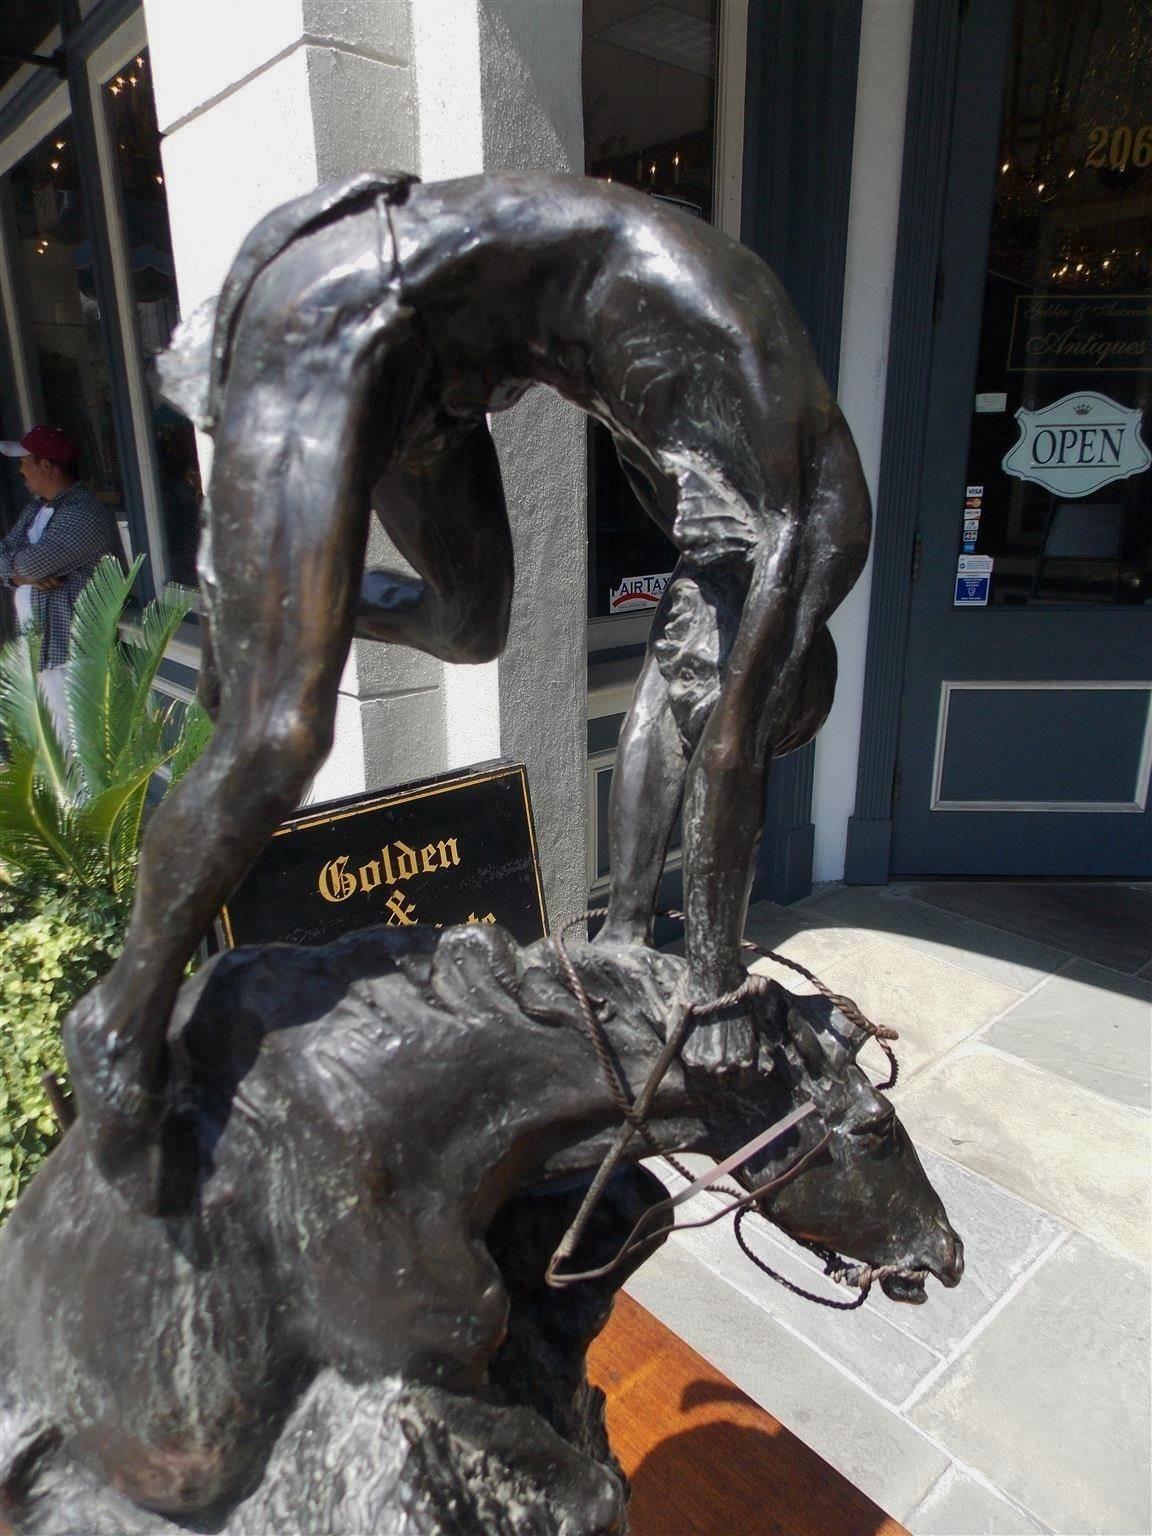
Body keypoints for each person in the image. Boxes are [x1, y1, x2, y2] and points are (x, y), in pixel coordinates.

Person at [66, 172, 871, 1211]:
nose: (686, 697)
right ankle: (120, 1015)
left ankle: (278, 597)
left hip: (448, 366)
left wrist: (626, 930)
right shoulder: (801, 527)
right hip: (354, 308)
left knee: (467, 623)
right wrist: (712, 980)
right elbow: (722, 753)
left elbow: (671, 719)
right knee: (282, 735)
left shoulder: (731, 525)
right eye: (724, 690)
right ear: (784, 659)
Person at [0, 425, 123, 738]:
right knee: (53, 743)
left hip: (73, 653)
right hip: (45, 650)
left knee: (79, 744)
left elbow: (29, 562)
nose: (20, 468)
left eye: (25, 460)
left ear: (46, 465)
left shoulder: (83, 513)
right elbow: (11, 557)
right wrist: (21, 576)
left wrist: (23, 570)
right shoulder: (37, 509)